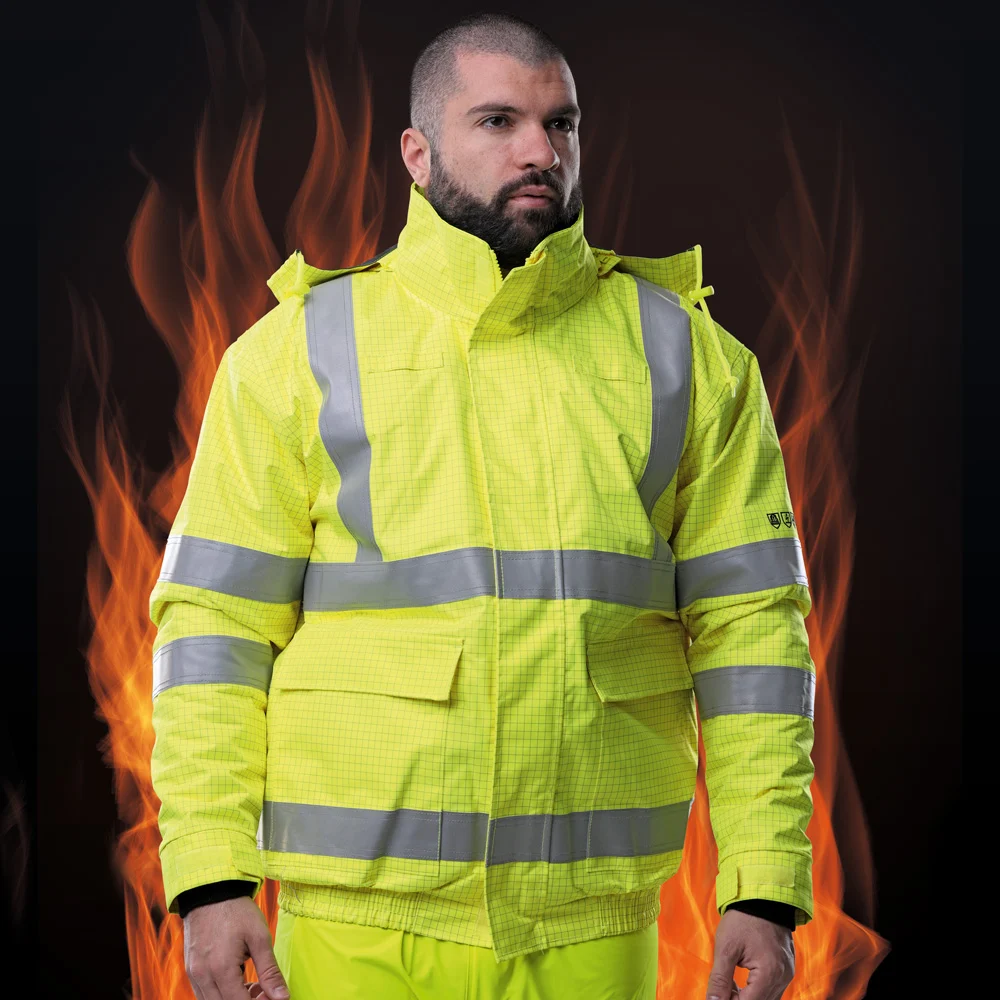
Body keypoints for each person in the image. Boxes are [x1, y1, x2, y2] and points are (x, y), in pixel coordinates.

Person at [149, 12, 815, 1000]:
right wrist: (211, 875)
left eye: (561, 123)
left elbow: (754, 634)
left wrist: (762, 884)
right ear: (416, 155)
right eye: (499, 121)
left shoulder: (690, 357)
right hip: (357, 931)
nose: (540, 150)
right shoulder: (294, 354)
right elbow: (215, 628)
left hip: (591, 933)